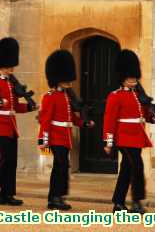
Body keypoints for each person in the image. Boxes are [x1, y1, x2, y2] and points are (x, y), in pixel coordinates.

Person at [103, 49, 155, 214]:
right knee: (137, 166)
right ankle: (136, 201)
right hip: (124, 137)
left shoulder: (137, 96)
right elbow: (109, 121)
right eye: (130, 77)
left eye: (134, 77)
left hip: (136, 136)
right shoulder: (115, 96)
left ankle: (118, 203)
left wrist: (153, 119)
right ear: (123, 78)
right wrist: (108, 142)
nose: (133, 80)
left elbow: (143, 114)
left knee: (127, 169)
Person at [38, 49, 95, 210]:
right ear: (57, 79)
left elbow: (71, 118)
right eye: (65, 78)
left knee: (63, 167)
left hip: (65, 137)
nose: (69, 81)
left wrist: (84, 123)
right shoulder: (50, 97)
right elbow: (45, 120)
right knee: (60, 166)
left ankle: (58, 196)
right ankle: (55, 197)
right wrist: (44, 141)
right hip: (55, 137)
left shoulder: (66, 96)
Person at [0, 37, 37, 205]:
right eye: (8, 67)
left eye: (11, 67)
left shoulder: (12, 85)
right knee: (6, 158)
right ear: (1, 67)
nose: (10, 69)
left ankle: (8, 194)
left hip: (11, 127)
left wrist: (31, 108)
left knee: (12, 161)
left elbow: (15, 108)